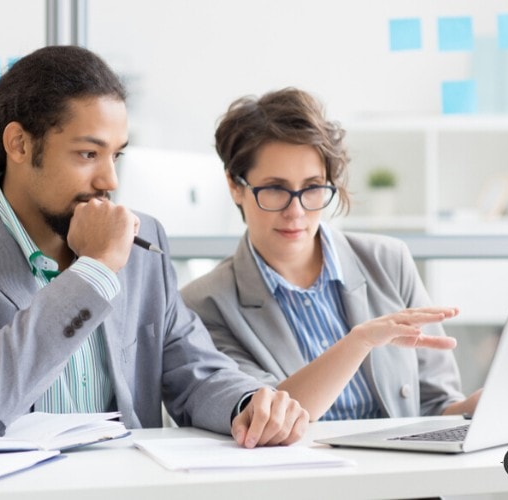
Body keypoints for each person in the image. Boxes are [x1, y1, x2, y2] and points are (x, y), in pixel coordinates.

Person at [0, 46, 308, 448]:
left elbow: (193, 370)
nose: (110, 181)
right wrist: (95, 271)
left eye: (115, 155)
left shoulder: (142, 239)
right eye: (87, 154)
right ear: (19, 144)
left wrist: (247, 403)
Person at [181, 88, 480, 422]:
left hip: (400, 467)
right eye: (275, 189)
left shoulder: (388, 260)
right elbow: (269, 419)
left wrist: (481, 405)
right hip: (305, 471)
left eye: (312, 188)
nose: (295, 211)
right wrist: (359, 342)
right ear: (235, 186)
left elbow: (435, 405)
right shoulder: (205, 305)